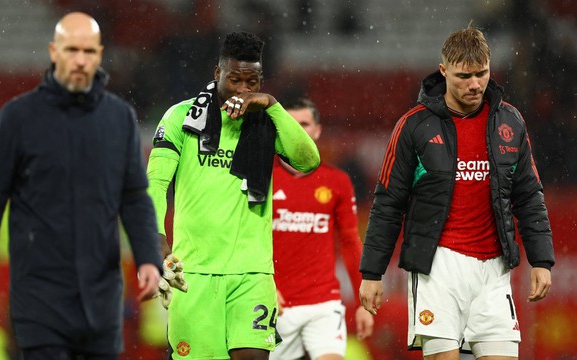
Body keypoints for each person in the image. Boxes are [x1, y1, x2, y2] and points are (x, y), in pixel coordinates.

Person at [0, 12, 163, 359]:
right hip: (39, 298)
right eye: (71, 50)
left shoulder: (119, 119)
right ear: (54, 51)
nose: (80, 60)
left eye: (88, 51)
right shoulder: (18, 118)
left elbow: (134, 197)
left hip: (101, 300)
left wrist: (148, 259)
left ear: (99, 54)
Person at [358, 24, 554, 360]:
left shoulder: (510, 122)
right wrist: (371, 273)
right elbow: (389, 202)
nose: (475, 84)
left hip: (494, 270)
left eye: (482, 74)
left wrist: (542, 260)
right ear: (444, 71)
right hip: (437, 269)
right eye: (465, 76)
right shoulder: (414, 126)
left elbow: (528, 196)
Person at [146, 31, 320, 359]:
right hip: (192, 274)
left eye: (251, 81)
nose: (242, 89)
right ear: (217, 73)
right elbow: (155, 184)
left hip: (252, 273)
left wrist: (272, 105)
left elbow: (308, 160)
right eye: (234, 79)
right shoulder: (181, 118)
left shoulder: (267, 122)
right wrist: (155, 240)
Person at [270, 98, 374, 360]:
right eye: (291, 125)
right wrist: (262, 285)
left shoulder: (336, 182)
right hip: (275, 302)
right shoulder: (263, 180)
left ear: (317, 130)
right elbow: (245, 239)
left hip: (323, 302)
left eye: (304, 124)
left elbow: (350, 242)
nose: (298, 131)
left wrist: (363, 302)